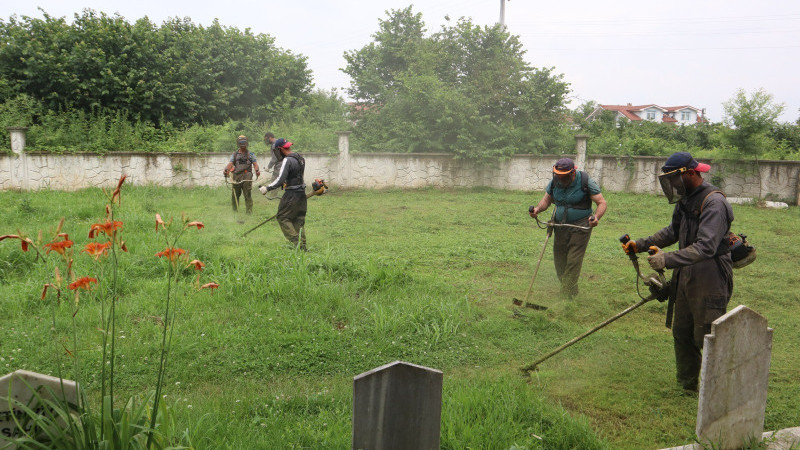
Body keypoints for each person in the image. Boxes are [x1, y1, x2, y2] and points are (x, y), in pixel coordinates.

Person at [621, 151, 734, 392]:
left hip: (710, 274)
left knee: (708, 333)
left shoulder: (714, 202)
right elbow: (673, 231)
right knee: (682, 330)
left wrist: (667, 259)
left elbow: (706, 247)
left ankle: (718, 392)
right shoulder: (686, 199)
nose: (672, 185)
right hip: (686, 269)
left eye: (674, 179)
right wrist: (640, 244)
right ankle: (687, 386)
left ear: (690, 173)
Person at [528, 158, 607, 298]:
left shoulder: (585, 181)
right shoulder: (554, 182)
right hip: (560, 226)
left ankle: (566, 297)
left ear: (572, 173)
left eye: (563, 176)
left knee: (573, 261)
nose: (560, 178)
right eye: (558, 175)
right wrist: (537, 209)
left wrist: (596, 218)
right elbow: (546, 200)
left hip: (581, 226)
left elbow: (601, 202)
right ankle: (571, 290)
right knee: (560, 261)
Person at [259, 138, 307, 250]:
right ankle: (303, 245)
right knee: (298, 219)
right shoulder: (300, 158)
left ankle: (297, 244)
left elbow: (280, 179)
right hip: (301, 194)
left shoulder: (287, 160)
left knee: (282, 217)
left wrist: (267, 188)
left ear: (279, 149)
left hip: (292, 195)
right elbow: (296, 176)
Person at [223, 135, 260, 214]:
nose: (243, 144)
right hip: (237, 175)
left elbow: (255, 164)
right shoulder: (235, 154)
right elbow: (230, 163)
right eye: (241, 142)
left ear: (247, 143)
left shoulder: (251, 154)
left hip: (247, 175)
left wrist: (257, 170)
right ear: (238, 143)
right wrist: (226, 170)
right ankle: (235, 211)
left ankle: (249, 212)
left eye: (244, 142)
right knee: (235, 195)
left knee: (247, 194)